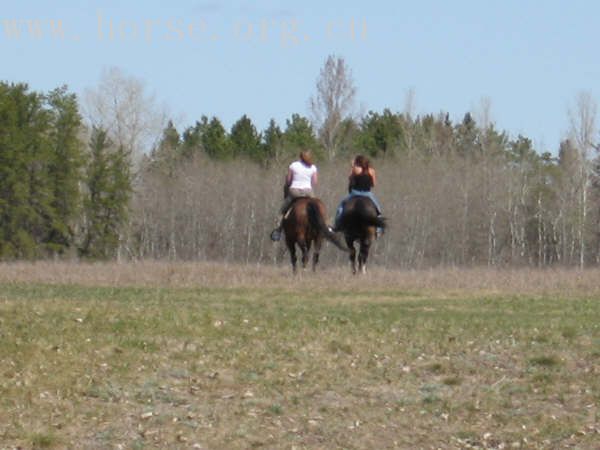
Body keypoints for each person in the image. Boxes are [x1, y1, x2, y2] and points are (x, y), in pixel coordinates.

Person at [270, 150, 318, 241]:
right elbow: (315, 182)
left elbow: (288, 181)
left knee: (282, 211)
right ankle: (326, 226)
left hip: (294, 192)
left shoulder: (293, 165)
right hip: (308, 192)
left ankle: (278, 231)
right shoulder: (313, 167)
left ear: (300, 157)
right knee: (318, 208)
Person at [332, 154, 383, 233]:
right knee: (378, 209)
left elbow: (350, 178)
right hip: (367, 193)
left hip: (355, 193)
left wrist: (352, 167)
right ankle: (379, 229)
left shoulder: (355, 169)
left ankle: (337, 226)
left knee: (341, 207)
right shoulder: (372, 171)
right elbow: (373, 184)